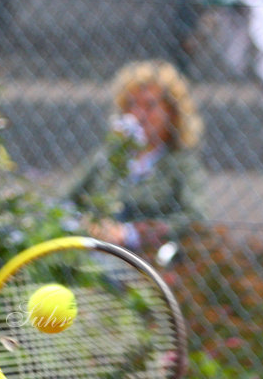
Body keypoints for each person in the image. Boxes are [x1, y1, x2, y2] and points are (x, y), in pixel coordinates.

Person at [64, 60, 208, 265]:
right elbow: (63, 202)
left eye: (150, 105)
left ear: (172, 113)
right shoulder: (107, 156)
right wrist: (87, 224)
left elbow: (197, 218)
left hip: (146, 265)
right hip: (90, 258)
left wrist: (131, 233)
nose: (139, 114)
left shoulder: (181, 164)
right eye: (131, 104)